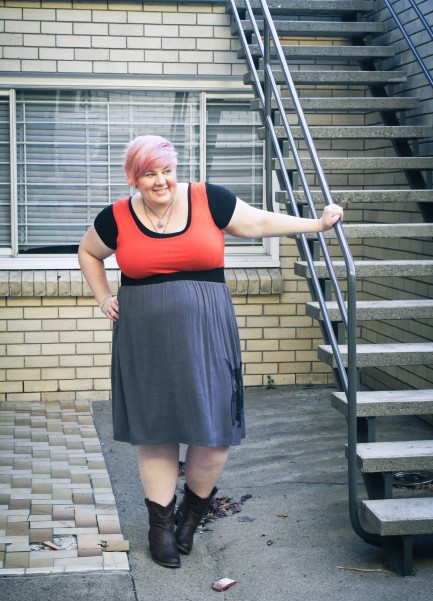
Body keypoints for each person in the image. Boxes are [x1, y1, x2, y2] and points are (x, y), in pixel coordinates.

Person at [78, 134, 343, 569]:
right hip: (144, 338)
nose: (160, 181)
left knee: (214, 434)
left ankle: (191, 516)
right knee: (157, 431)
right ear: (134, 178)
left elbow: (256, 223)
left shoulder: (207, 198)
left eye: (166, 170)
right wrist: (103, 295)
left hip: (208, 332)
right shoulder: (117, 217)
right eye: (149, 174)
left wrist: (315, 225)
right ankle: (159, 527)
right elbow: (89, 252)